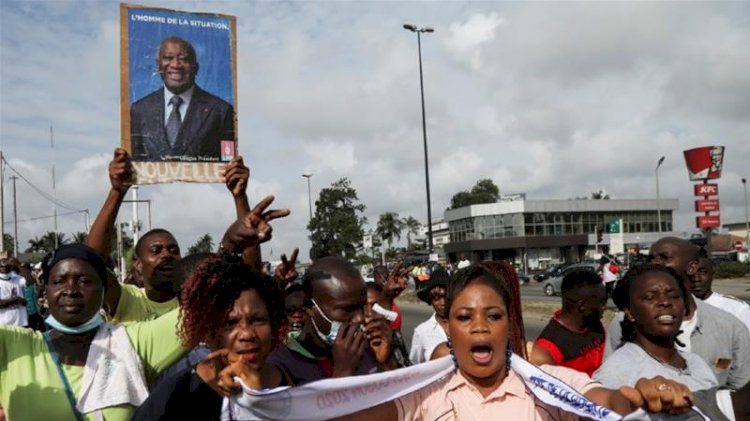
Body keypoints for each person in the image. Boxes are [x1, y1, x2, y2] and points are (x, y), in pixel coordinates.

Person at [334, 265, 695, 420]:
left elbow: (605, 402)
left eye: (493, 316)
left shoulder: (549, 385)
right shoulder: (424, 393)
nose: (479, 327)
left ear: (510, 324)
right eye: (465, 317)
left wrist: (641, 399)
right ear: (449, 330)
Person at [87, 148, 284, 324]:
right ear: (137, 264)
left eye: (174, 250)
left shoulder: (197, 301)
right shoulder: (127, 300)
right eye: (156, 250)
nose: (166, 254)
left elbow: (251, 274)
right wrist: (117, 191)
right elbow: (91, 265)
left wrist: (239, 197)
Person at [0, 244, 187, 420]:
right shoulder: (12, 345)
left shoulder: (131, 343)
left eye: (84, 281)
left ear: (104, 291)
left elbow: (207, 299)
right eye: (58, 281)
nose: (71, 291)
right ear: (45, 292)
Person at [132, 256, 288, 420]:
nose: (247, 334)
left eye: (258, 320)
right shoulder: (176, 398)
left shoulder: (296, 383)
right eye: (230, 323)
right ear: (206, 331)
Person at [605, 236, 750, 390]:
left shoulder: (728, 326)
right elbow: (609, 391)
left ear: (692, 267)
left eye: (664, 257)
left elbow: (741, 391)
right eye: (651, 258)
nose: (655, 262)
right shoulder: (624, 322)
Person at [267, 256, 401, 385]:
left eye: (361, 307)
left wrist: (387, 361)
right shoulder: (282, 365)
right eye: (348, 309)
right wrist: (342, 374)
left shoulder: (364, 346)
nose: (360, 318)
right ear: (310, 307)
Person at [595, 264, 718, 391]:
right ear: (630, 312)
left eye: (674, 296)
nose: (665, 302)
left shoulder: (696, 362)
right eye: (650, 297)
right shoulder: (617, 372)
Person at [130, 36, 235, 162]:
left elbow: (228, 161)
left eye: (184, 59)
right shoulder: (140, 109)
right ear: (158, 65)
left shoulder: (221, 111)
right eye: (168, 58)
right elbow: (135, 163)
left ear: (195, 67)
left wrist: (234, 174)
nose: (175, 65)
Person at [531, 268, 607, 376]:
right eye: (601, 302)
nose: (605, 307)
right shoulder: (548, 348)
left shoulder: (594, 324)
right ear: (582, 306)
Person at [691, 256, 750, 333]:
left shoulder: (738, 309)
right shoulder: (676, 309)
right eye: (691, 273)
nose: (696, 279)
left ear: (712, 275)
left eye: (703, 272)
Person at [410, 267, 449, 364]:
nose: (443, 302)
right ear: (430, 300)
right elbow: (416, 367)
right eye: (437, 298)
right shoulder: (422, 332)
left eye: (446, 297)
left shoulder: (466, 325)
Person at [373, 264, 409, 332]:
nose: (387, 281)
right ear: (378, 276)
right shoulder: (369, 293)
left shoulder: (394, 310)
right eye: (386, 278)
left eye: (387, 278)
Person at [0, 257, 27, 327]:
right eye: (2, 266)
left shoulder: (16, 278)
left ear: (12, 267)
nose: (5, 268)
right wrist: (16, 299)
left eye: (7, 266)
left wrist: (18, 264)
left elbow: (30, 281)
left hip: (19, 323)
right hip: (3, 325)